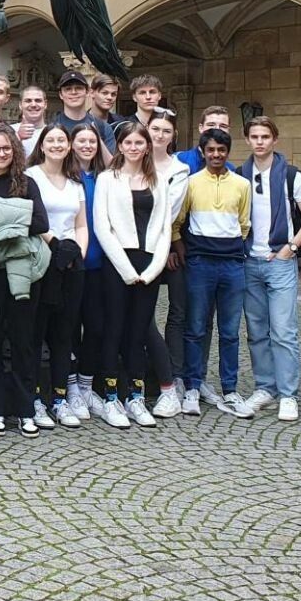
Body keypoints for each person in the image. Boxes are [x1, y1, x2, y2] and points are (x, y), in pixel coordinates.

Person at [235, 116, 301, 422]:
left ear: (275, 140)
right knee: (256, 331)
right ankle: (264, 387)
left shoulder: (291, 175)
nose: (260, 141)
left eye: (265, 136)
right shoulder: (240, 175)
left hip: (279, 261)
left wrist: (290, 248)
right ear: (247, 140)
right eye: (254, 136)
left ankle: (288, 394)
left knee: (283, 331)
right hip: (249, 261)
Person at [90, 121, 174, 429]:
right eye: (128, 143)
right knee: (114, 328)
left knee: (139, 332)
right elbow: (103, 226)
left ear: (147, 146)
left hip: (149, 264)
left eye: (140, 143)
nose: (134, 148)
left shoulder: (158, 180)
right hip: (117, 263)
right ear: (120, 146)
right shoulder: (106, 179)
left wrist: (153, 269)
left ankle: (135, 397)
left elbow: (164, 227)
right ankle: (112, 396)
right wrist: (126, 269)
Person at [0, 124, 49, 437]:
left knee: (23, 343)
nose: (0, 153)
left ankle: (26, 409)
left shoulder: (26, 183)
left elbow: (40, 222)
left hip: (23, 275)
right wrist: (16, 218)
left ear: (14, 151)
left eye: (6, 148)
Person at [180, 128, 252, 419]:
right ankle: (193, 387)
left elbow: (244, 223)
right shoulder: (191, 183)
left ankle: (230, 389)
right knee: (196, 328)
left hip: (232, 264)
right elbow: (179, 221)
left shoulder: (241, 185)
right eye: (210, 150)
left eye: (221, 150)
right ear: (202, 152)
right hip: (200, 263)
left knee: (230, 331)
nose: (216, 155)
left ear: (228, 152)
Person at [28, 124, 90, 428]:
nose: (56, 145)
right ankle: (36, 398)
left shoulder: (75, 182)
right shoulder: (31, 178)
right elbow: (33, 218)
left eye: (61, 141)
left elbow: (81, 223)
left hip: (71, 264)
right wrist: (57, 246)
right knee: (38, 332)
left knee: (65, 333)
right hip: (43, 260)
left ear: (68, 147)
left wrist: (77, 251)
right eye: (50, 140)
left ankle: (60, 397)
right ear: (41, 145)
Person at [144, 112, 190, 419]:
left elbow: (168, 212)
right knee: (142, 318)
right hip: (130, 249)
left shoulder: (180, 169)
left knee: (176, 313)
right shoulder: (131, 162)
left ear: (173, 136)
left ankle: (174, 379)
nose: (159, 135)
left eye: (165, 131)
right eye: (155, 129)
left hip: (161, 246)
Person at [68, 124, 106, 418]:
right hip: (72, 263)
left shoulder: (105, 177)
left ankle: (86, 385)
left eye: (92, 141)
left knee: (95, 326)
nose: (87, 145)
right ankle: (68, 387)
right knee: (68, 328)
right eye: (81, 140)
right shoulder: (67, 177)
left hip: (100, 263)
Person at [53, 69, 115, 161]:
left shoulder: (102, 127)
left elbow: (113, 166)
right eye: (68, 89)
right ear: (61, 95)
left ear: (87, 92)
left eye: (78, 88)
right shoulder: (53, 127)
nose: (73, 92)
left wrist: (97, 139)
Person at [14, 85, 49, 159]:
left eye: (38, 100)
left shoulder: (53, 133)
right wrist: (17, 137)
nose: (33, 104)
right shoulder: (9, 131)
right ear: (20, 105)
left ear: (45, 104)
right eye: (28, 101)